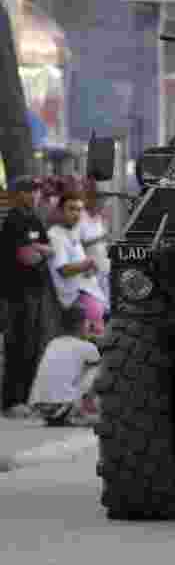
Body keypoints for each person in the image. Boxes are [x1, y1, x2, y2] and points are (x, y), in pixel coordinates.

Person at [0, 176, 54, 418]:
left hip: (35, 291)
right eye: (29, 191)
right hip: (15, 293)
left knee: (32, 346)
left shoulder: (34, 219)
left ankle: (27, 398)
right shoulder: (13, 220)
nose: (34, 195)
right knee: (17, 346)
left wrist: (39, 251)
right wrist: (41, 252)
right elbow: (25, 257)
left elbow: (48, 249)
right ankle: (12, 401)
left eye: (36, 191)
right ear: (18, 194)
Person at [27, 303, 101, 427]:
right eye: (88, 323)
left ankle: (66, 412)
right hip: (62, 406)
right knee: (100, 368)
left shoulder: (53, 343)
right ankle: (82, 410)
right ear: (81, 325)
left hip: (41, 407)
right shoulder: (86, 347)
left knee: (79, 369)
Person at [47, 191, 108, 336]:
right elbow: (63, 270)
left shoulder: (71, 232)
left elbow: (78, 265)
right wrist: (88, 264)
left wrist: (89, 269)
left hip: (88, 306)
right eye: (71, 209)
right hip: (74, 308)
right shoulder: (56, 235)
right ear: (60, 211)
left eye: (79, 210)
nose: (76, 214)